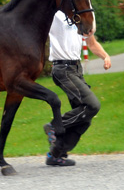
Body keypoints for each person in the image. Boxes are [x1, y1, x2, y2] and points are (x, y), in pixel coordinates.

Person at [44, 10, 111, 166]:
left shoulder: (82, 16)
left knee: (84, 118)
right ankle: (54, 126)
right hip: (62, 69)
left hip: (76, 69)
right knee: (92, 105)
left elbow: (91, 43)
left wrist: (105, 56)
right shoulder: (56, 15)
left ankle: (55, 154)